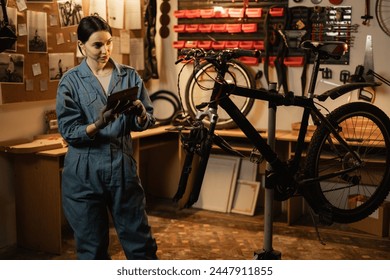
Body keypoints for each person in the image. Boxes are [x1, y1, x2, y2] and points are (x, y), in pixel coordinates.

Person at [56, 15, 158, 260]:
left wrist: (141, 113)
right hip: (83, 172)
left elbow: (148, 121)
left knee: (140, 244)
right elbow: (69, 131)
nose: (106, 50)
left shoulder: (130, 76)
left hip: (121, 166)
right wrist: (97, 124)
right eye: (97, 45)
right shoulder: (70, 82)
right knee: (92, 251)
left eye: (109, 42)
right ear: (81, 46)